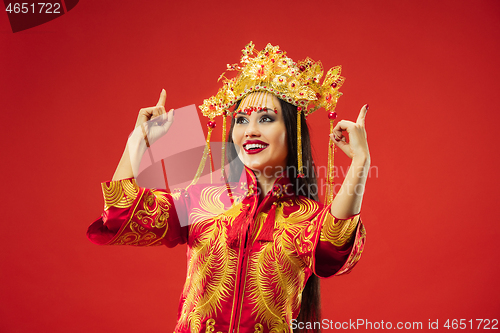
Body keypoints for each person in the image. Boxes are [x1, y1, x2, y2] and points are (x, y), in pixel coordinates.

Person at [87, 42, 370, 333]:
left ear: (292, 129)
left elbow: (335, 247)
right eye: (241, 120)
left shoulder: (308, 219)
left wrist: (360, 162)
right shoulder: (201, 200)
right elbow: (122, 214)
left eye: (266, 119)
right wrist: (138, 143)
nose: (250, 130)